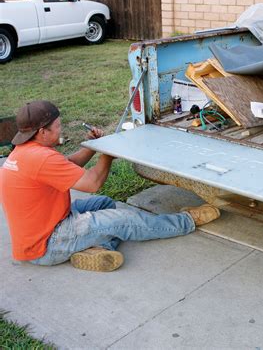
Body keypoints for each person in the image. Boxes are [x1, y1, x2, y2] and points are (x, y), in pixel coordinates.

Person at [0, 100, 220, 272]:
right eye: (57, 126)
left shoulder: (25, 152)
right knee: (123, 219)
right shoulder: (41, 158)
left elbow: (68, 164)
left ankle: (96, 250)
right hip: (48, 244)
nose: (61, 129)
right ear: (42, 132)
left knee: (105, 204)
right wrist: (107, 151)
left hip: (42, 230)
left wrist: (94, 146)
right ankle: (186, 221)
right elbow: (93, 183)